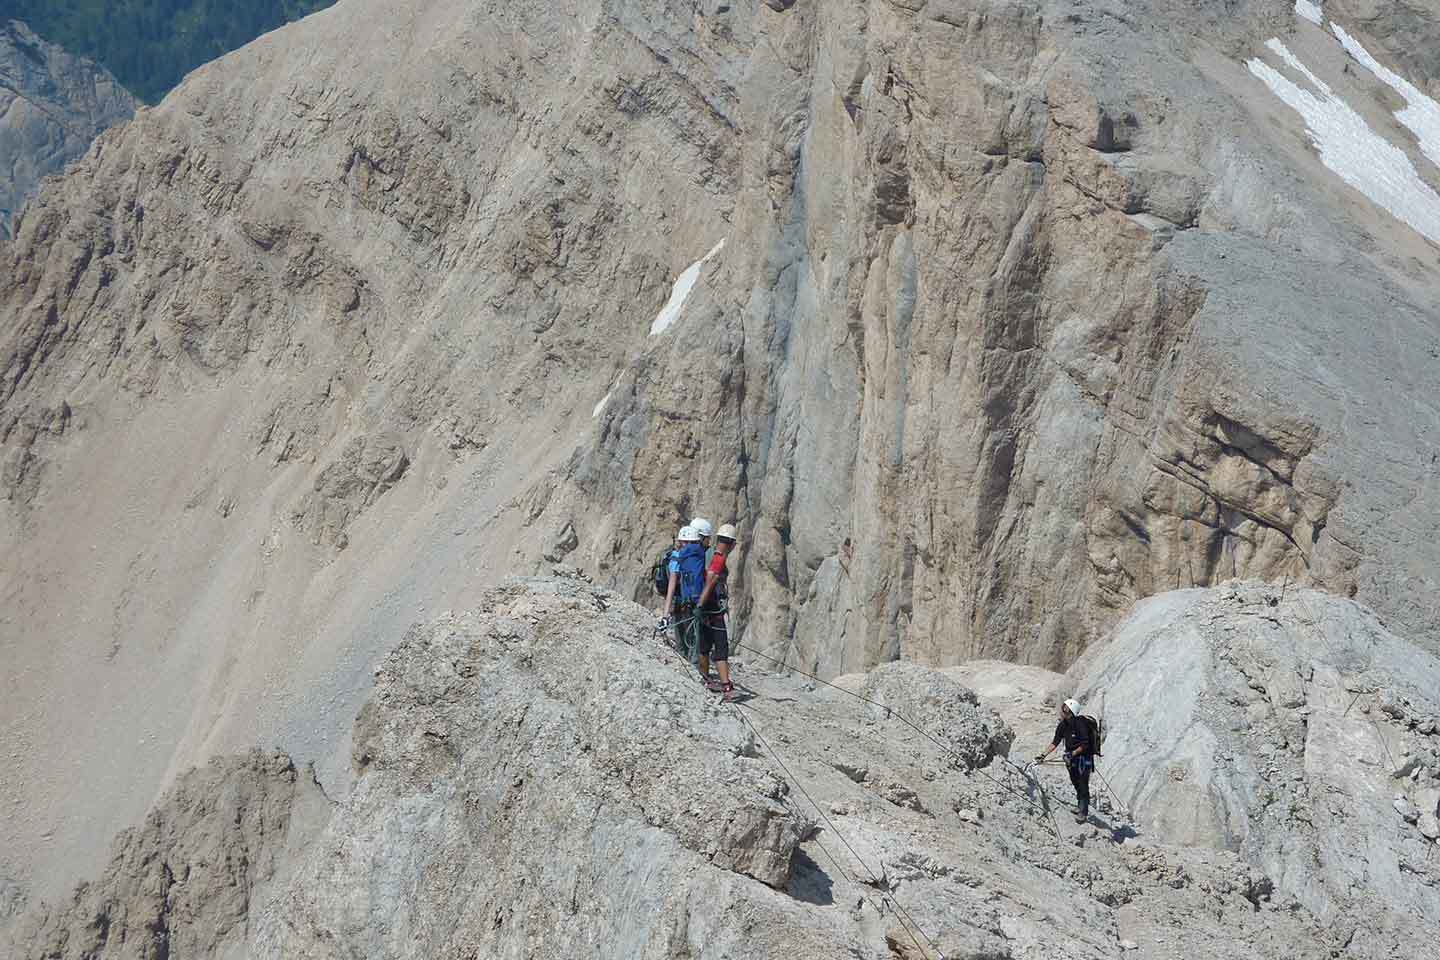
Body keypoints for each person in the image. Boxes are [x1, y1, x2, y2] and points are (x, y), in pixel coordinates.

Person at [695, 523, 737, 700]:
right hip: (712, 610)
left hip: (704, 609)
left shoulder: (707, 554)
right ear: (732, 543)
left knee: (704, 645)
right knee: (721, 647)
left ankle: (705, 679)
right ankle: (726, 687)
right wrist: (701, 605)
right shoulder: (719, 558)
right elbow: (711, 580)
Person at [1036, 698, 1094, 822]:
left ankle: (1083, 811)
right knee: (1075, 781)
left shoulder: (1080, 724)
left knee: (1083, 783)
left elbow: (1085, 744)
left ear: (1070, 711)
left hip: (1084, 758)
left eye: (1065, 708)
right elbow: (1055, 741)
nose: (1062, 709)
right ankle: (1080, 805)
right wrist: (1043, 755)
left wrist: (1072, 753)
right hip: (1071, 757)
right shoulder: (1063, 725)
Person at [667, 526, 709, 671]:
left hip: (680, 603)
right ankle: (696, 670)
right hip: (694, 601)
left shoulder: (677, 556)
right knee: (694, 639)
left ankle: (685, 668)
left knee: (682, 640)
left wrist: (666, 612)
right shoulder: (700, 553)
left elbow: (671, 586)